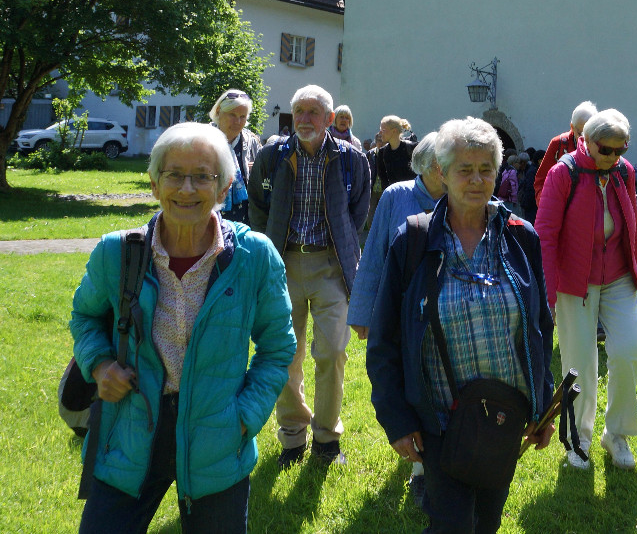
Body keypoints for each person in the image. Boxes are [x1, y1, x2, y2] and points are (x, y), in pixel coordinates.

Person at [70, 122, 295, 534]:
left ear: (225, 188)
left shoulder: (254, 257)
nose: (186, 189)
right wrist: (100, 366)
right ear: (155, 184)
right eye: (174, 174)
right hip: (130, 430)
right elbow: (84, 317)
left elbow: (278, 348)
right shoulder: (116, 253)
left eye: (202, 177)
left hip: (217, 436)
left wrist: (243, 418)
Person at [366, 117, 555, 534]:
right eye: (464, 170)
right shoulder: (412, 240)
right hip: (440, 419)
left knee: (486, 522)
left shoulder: (521, 237)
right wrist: (396, 419)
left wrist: (540, 405)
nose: (476, 179)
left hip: (505, 416)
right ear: (442, 173)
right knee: (451, 523)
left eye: (485, 168)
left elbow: (539, 324)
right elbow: (384, 340)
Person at [247, 85, 371, 468]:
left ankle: (327, 438)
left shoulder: (352, 160)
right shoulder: (272, 156)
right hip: (283, 266)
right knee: (286, 355)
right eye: (299, 111)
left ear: (330, 120)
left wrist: (348, 256)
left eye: (313, 112)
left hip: (331, 268)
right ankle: (293, 436)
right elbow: (258, 209)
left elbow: (358, 214)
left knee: (332, 351)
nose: (303, 119)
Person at [534, 109, 637, 471]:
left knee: (629, 350)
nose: (614, 158)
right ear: (587, 141)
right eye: (607, 150)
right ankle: (577, 438)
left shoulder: (623, 172)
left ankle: (617, 434)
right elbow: (545, 237)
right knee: (578, 364)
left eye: (621, 150)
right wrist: (546, 295)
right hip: (574, 282)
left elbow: (632, 224)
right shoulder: (562, 173)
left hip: (617, 277)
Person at [348, 132, 443, 500]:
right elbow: (374, 255)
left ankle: (437, 462)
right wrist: (363, 311)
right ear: (431, 166)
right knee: (408, 386)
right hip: (401, 311)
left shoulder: (458, 197)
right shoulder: (396, 196)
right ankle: (420, 468)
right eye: (444, 163)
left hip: (444, 310)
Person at [208, 89, 262, 224]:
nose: (238, 121)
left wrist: (257, 171)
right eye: (232, 114)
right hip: (209, 217)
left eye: (243, 116)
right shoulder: (203, 139)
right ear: (218, 112)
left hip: (244, 220)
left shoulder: (252, 142)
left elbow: (264, 180)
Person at [534, 101, 597, 207]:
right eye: (580, 133)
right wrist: (546, 206)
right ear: (572, 127)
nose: (585, 140)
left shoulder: (601, 147)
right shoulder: (557, 144)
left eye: (590, 134)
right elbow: (541, 181)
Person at [375, 115, 417, 191]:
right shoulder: (382, 152)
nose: (380, 133)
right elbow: (383, 179)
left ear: (394, 131)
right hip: (395, 197)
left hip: (413, 195)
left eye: (383, 130)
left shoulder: (412, 148)